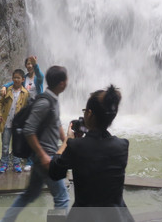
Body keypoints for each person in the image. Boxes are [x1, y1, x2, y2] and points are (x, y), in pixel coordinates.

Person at [48, 85, 134, 221]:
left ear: (89, 113)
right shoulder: (122, 146)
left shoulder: (76, 146)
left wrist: (67, 140)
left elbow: (54, 171)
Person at [0, 65, 70, 222]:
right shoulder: (44, 103)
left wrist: (66, 142)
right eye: (66, 79)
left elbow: (57, 123)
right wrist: (43, 155)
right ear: (61, 83)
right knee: (62, 198)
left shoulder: (53, 100)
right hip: (45, 157)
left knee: (30, 194)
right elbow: (29, 129)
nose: (68, 82)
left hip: (45, 156)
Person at [0, 68, 30, 173]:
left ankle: (16, 164)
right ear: (12, 78)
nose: (16, 80)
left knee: (17, 146)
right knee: (5, 145)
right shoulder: (7, 90)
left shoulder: (25, 93)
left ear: (23, 79)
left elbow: (27, 108)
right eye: (14, 77)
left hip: (18, 125)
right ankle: (4, 164)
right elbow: (0, 104)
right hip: (6, 123)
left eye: (18, 78)